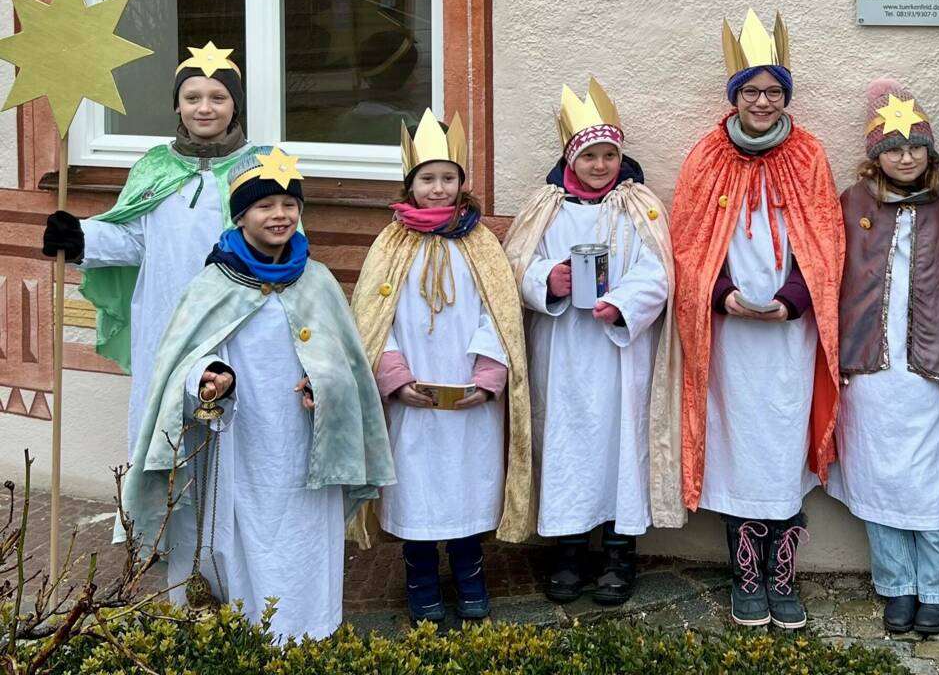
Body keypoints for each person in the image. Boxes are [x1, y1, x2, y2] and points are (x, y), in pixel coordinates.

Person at [120, 147, 395, 641]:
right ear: (242, 214)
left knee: (304, 534)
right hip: (237, 443)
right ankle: (243, 633)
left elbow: (346, 366)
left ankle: (306, 631)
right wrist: (211, 376)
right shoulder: (212, 284)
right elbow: (184, 363)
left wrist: (325, 385)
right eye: (265, 205)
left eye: (290, 205)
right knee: (235, 535)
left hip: (303, 444)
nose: (280, 215)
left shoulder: (318, 281)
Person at [670, 10, 844, 628]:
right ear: (735, 97)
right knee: (738, 449)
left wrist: (791, 299)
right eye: (751, 91)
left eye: (773, 91)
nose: (763, 102)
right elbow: (688, 247)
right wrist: (721, 296)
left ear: (785, 96)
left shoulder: (809, 156)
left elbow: (825, 245)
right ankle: (747, 577)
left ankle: (782, 576)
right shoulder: (706, 157)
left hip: (789, 339)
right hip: (729, 343)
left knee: (780, 448)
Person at [349, 110, 535, 622]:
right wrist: (395, 376)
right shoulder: (390, 245)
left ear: (462, 183)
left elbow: (496, 313)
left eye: (447, 178)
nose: (438, 188)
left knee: (468, 484)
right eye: (427, 179)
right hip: (412, 395)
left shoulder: (479, 243)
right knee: (415, 487)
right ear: (410, 185)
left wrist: (488, 375)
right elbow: (373, 318)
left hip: (470, 392)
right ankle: (421, 576)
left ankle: (471, 572)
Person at [827, 79, 939, 636]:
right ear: (876, 156)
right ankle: (896, 586)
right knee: (880, 481)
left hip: (935, 373)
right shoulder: (852, 206)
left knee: (930, 483)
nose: (906, 157)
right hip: (870, 373)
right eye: (894, 148)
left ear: (930, 152)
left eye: (915, 147)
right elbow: (836, 281)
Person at [504, 78, 683, 606]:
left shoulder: (639, 206)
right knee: (565, 447)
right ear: (570, 158)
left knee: (621, 448)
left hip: (619, 354)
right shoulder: (546, 206)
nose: (601, 165)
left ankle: (619, 552)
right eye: (590, 156)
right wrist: (545, 283)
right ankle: (567, 550)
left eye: (609, 154)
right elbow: (513, 265)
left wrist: (624, 303)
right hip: (561, 352)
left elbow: (659, 271)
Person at [40, 42, 251, 457]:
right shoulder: (154, 166)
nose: (204, 108)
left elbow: (282, 237)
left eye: (218, 97)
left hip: (234, 320)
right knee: (165, 430)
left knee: (231, 430)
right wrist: (81, 238)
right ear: (177, 106)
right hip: (164, 315)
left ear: (235, 105)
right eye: (192, 98)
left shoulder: (259, 166)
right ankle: (157, 520)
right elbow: (136, 240)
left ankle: (226, 523)